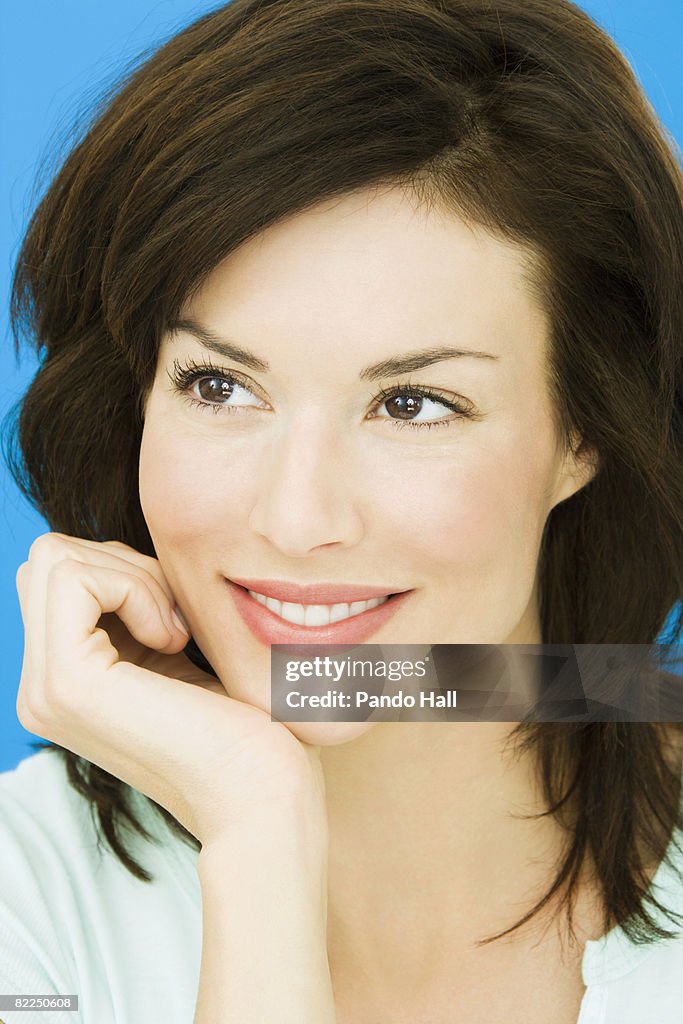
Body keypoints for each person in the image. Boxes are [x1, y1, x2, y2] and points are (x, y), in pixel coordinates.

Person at [1, 0, 682, 1021]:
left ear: (583, 431)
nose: (295, 515)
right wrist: (256, 826)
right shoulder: (28, 899)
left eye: (411, 404)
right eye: (218, 386)